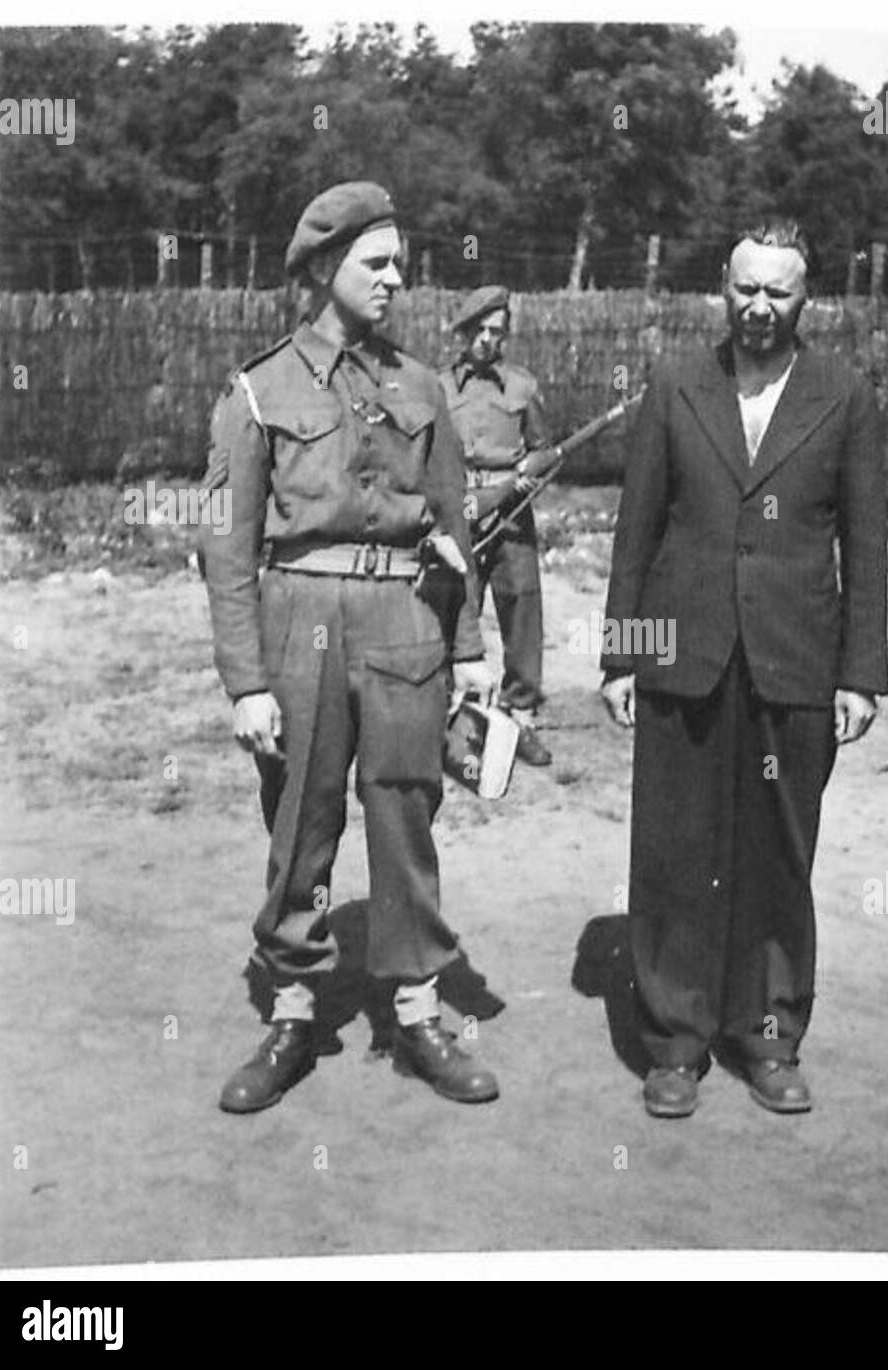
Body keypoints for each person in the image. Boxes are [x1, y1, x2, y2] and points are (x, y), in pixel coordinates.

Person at [200, 182, 500, 1113]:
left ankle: (417, 1011)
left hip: (407, 618)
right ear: (325, 270)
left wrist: (470, 648)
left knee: (407, 814)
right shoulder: (260, 389)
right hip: (301, 623)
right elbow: (226, 545)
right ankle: (293, 1011)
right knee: (301, 819)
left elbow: (455, 525)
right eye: (377, 263)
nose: (396, 279)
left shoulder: (421, 387)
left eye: (399, 263)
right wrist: (247, 683)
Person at [600, 221, 888, 1118]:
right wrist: (621, 653)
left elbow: (866, 543)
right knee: (676, 852)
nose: (760, 308)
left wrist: (860, 673)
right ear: (720, 290)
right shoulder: (676, 385)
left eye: (780, 293)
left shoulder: (843, 396)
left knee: (776, 855)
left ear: (808, 300)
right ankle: (677, 1042)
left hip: (795, 661)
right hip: (684, 655)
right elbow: (638, 526)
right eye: (745, 290)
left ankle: (767, 1036)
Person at [438, 285, 558, 765]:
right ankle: (454, 721)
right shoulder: (437, 387)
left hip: (510, 517)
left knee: (522, 609)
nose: (488, 341)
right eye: (480, 331)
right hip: (459, 513)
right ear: (464, 334)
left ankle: (520, 716)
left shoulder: (521, 387)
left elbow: (544, 450)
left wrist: (527, 480)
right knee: (453, 608)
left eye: (497, 333)